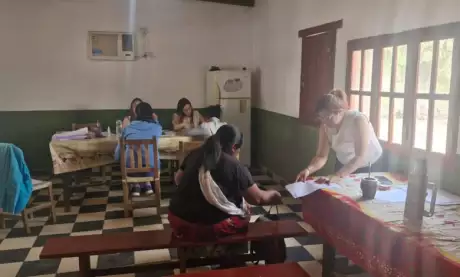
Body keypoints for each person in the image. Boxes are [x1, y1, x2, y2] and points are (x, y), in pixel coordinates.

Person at [169, 124, 281, 240]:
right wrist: (274, 194)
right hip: (205, 228)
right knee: (245, 213)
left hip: (177, 220)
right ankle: (230, 254)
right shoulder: (234, 165)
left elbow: (178, 179)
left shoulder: (194, 154)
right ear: (234, 147)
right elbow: (257, 198)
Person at [296, 89, 382, 182]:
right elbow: (321, 156)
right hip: (345, 163)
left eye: (327, 117)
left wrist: (338, 175)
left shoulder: (357, 120)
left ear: (339, 112)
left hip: (369, 165)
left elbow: (359, 157)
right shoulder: (325, 125)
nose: (324, 121)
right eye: (321, 117)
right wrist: (309, 170)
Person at [115, 102, 163, 196]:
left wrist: (117, 159)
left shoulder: (128, 128)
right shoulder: (157, 128)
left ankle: (136, 185)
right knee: (152, 160)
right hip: (151, 170)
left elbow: (117, 153)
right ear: (151, 114)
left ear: (136, 114)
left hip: (131, 170)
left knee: (130, 160)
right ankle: (147, 184)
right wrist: (156, 120)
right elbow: (159, 127)